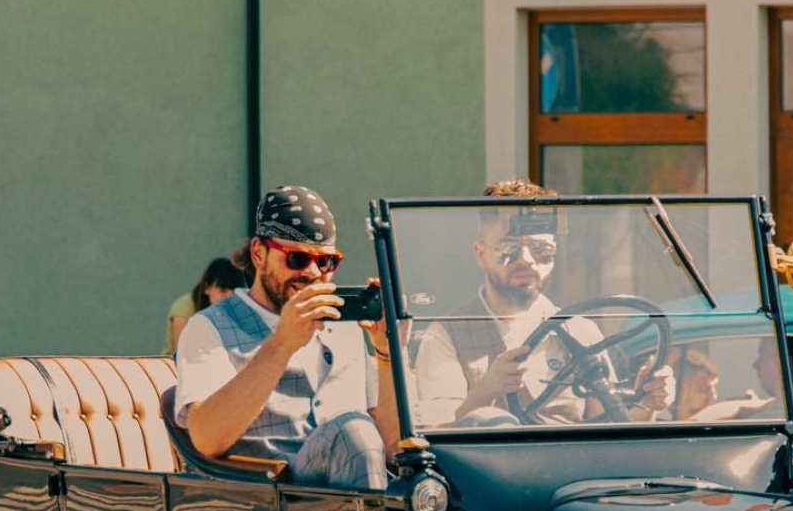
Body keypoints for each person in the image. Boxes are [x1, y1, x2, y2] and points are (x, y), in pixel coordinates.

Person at [173, 185, 399, 489]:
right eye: (297, 259)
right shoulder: (210, 326)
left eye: (326, 262)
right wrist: (281, 344)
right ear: (258, 254)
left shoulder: (345, 327)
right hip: (275, 498)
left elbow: (394, 448)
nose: (313, 272)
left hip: (354, 492)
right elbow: (207, 438)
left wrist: (388, 354)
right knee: (353, 430)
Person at [413, 178, 667, 427]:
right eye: (509, 248)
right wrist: (487, 389)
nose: (526, 260)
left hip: (572, 455)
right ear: (481, 254)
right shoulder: (447, 334)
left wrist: (646, 402)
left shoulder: (580, 331)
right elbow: (435, 434)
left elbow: (607, 428)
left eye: (541, 249)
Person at [164, 253, 249, 356]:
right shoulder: (184, 308)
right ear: (207, 287)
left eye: (234, 294)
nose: (228, 299)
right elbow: (182, 353)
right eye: (223, 291)